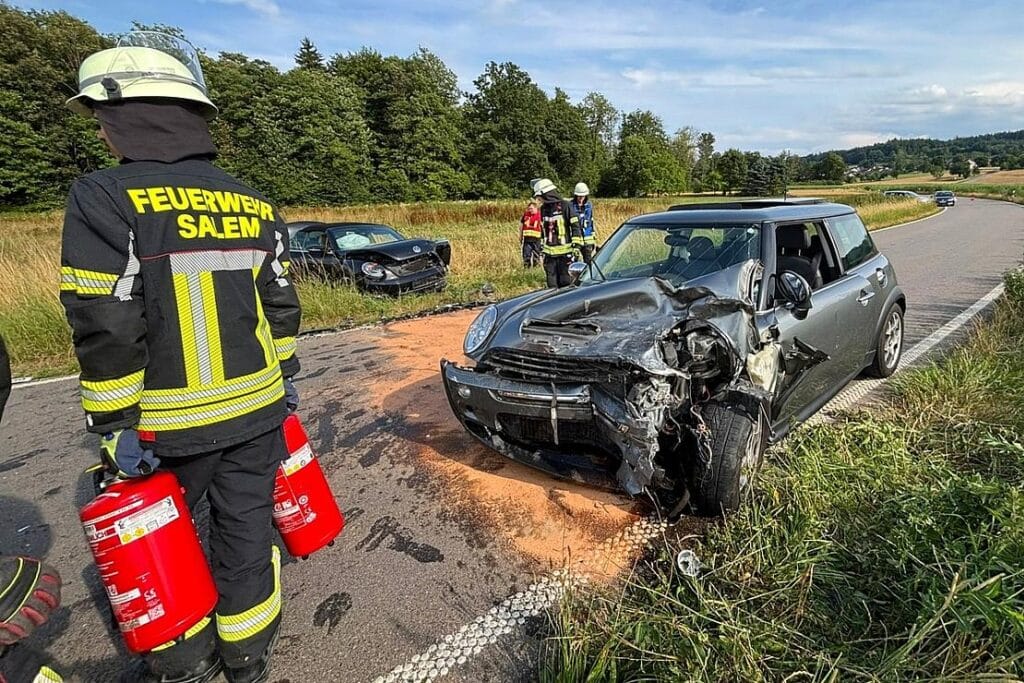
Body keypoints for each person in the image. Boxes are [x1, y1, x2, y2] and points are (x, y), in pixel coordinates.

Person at [61, 32, 301, 683]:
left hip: (165, 428)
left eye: (103, 120)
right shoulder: (251, 201)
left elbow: (105, 322)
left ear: (125, 118)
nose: (102, 134)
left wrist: (113, 426)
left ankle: (185, 664)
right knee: (247, 539)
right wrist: (288, 381)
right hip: (256, 413)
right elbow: (280, 306)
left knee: (168, 545)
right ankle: (248, 659)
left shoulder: (105, 198)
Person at [531, 178, 582, 288]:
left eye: (539, 197)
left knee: (565, 282)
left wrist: (576, 247)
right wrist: (540, 249)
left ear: (546, 194)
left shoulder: (565, 206)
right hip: (549, 255)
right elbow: (543, 230)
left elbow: (575, 227)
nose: (538, 200)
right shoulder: (544, 209)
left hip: (565, 254)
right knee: (552, 285)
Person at [568, 182, 597, 264]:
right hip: (575, 238)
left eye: (583, 196)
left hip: (587, 238)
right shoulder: (570, 205)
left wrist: (593, 238)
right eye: (579, 196)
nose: (581, 198)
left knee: (588, 262)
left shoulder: (589, 205)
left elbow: (591, 221)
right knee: (573, 261)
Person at [519, 200, 542, 267]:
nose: (530, 210)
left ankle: (536, 268)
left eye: (531, 209)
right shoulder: (526, 215)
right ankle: (526, 268)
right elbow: (522, 225)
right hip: (527, 239)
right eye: (529, 209)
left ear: (536, 208)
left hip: (536, 239)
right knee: (526, 255)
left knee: (536, 255)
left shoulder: (540, 216)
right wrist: (520, 236)